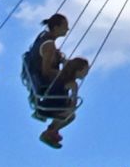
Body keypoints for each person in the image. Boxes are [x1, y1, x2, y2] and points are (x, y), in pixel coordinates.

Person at [22, 14, 86, 147]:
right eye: (65, 26)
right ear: (56, 27)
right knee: (71, 115)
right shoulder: (49, 45)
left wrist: (60, 58)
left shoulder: (44, 37)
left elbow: (50, 56)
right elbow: (46, 71)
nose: (67, 29)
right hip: (47, 87)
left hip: (43, 84)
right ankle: (51, 132)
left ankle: (51, 132)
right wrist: (66, 73)